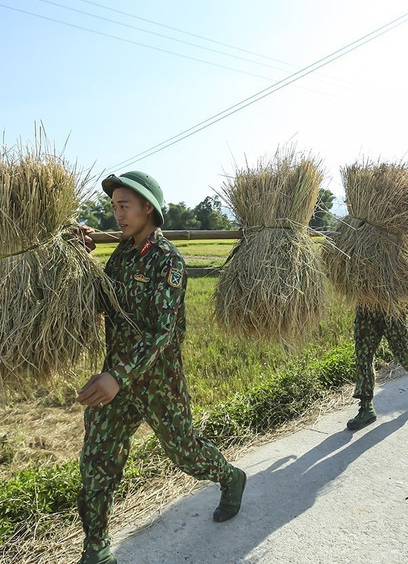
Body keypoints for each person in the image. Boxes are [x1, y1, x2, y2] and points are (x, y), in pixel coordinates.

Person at [74, 171, 246, 564]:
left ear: (147, 207)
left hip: (157, 383)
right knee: (97, 461)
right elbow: (101, 303)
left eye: (124, 206)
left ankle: (230, 477)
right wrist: (80, 259)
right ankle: (96, 549)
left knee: (186, 455)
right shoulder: (119, 255)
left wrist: (117, 376)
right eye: (114, 206)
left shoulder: (167, 260)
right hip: (115, 380)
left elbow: (161, 332)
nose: (117, 214)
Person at [346, 305, 408, 430]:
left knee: (402, 350)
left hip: (391, 306)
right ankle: (366, 408)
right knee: (363, 356)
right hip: (365, 307)